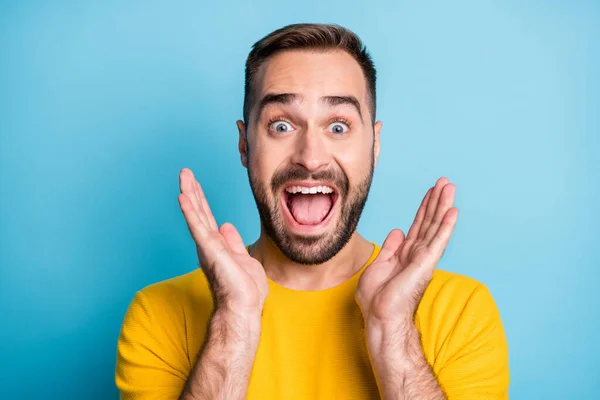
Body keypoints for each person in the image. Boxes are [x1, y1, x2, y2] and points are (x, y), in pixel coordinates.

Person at [115, 23, 509, 399]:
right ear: (244, 145)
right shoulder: (161, 314)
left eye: (338, 126)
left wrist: (393, 336)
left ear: (374, 145)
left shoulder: (461, 312)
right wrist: (234, 324)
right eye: (282, 126)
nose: (311, 158)